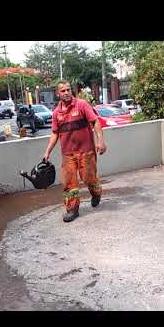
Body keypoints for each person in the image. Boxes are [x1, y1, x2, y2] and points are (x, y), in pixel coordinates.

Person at [42, 80, 107, 223]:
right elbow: (54, 134)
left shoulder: (82, 105)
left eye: (68, 90)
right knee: (69, 183)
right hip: (68, 154)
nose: (66, 93)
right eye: (63, 91)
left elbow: (95, 122)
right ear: (58, 93)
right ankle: (72, 209)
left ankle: (96, 192)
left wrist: (100, 141)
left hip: (86, 151)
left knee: (89, 178)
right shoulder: (56, 113)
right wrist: (47, 152)